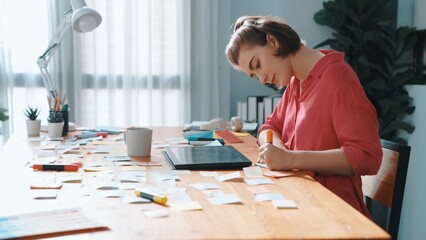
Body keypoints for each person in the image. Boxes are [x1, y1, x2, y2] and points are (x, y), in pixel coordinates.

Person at [225, 15, 383, 217]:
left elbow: (368, 156)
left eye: (257, 65)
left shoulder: (337, 78)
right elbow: (269, 126)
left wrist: (291, 159)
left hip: (337, 218)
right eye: (254, 76)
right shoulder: (295, 82)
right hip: (301, 204)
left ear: (273, 41)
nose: (262, 79)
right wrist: (277, 151)